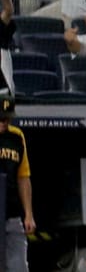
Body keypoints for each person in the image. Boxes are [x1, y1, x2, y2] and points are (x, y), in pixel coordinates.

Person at [0, 98, 32, 272]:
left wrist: (28, 214)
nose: (4, 123)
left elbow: (23, 177)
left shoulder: (16, 136)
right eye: (0, 119)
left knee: (19, 267)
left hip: (12, 214)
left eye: (7, 119)